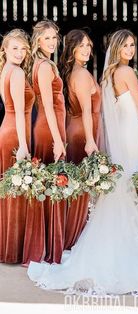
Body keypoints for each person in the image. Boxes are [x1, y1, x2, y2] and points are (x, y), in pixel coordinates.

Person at [27, 29, 138, 295]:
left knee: (126, 186)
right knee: (133, 186)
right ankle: (134, 240)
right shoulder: (127, 73)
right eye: (127, 46)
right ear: (118, 48)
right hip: (132, 132)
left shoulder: (108, 74)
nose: (131, 51)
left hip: (123, 131)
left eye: (134, 46)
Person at [22, 20, 66, 265]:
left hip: (50, 126)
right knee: (52, 185)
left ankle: (47, 245)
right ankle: (47, 248)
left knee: (49, 186)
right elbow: (47, 106)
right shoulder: (45, 66)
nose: (52, 42)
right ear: (38, 40)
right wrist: (58, 140)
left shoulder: (41, 64)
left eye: (54, 38)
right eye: (47, 38)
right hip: (49, 129)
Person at [59, 29, 101, 249]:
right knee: (84, 188)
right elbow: (86, 110)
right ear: (72, 48)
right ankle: (80, 237)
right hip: (82, 132)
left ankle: (76, 234)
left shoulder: (73, 71)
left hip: (75, 129)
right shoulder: (82, 75)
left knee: (80, 187)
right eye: (81, 46)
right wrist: (90, 140)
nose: (86, 50)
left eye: (89, 45)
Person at [0, 29, 35, 263]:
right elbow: (21, 113)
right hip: (15, 133)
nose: (20, 53)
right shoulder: (18, 73)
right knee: (16, 192)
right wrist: (23, 145)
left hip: (6, 128)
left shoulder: (4, 70)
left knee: (9, 192)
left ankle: (6, 245)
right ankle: (14, 249)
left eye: (24, 49)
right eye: (15, 48)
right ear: (4, 50)